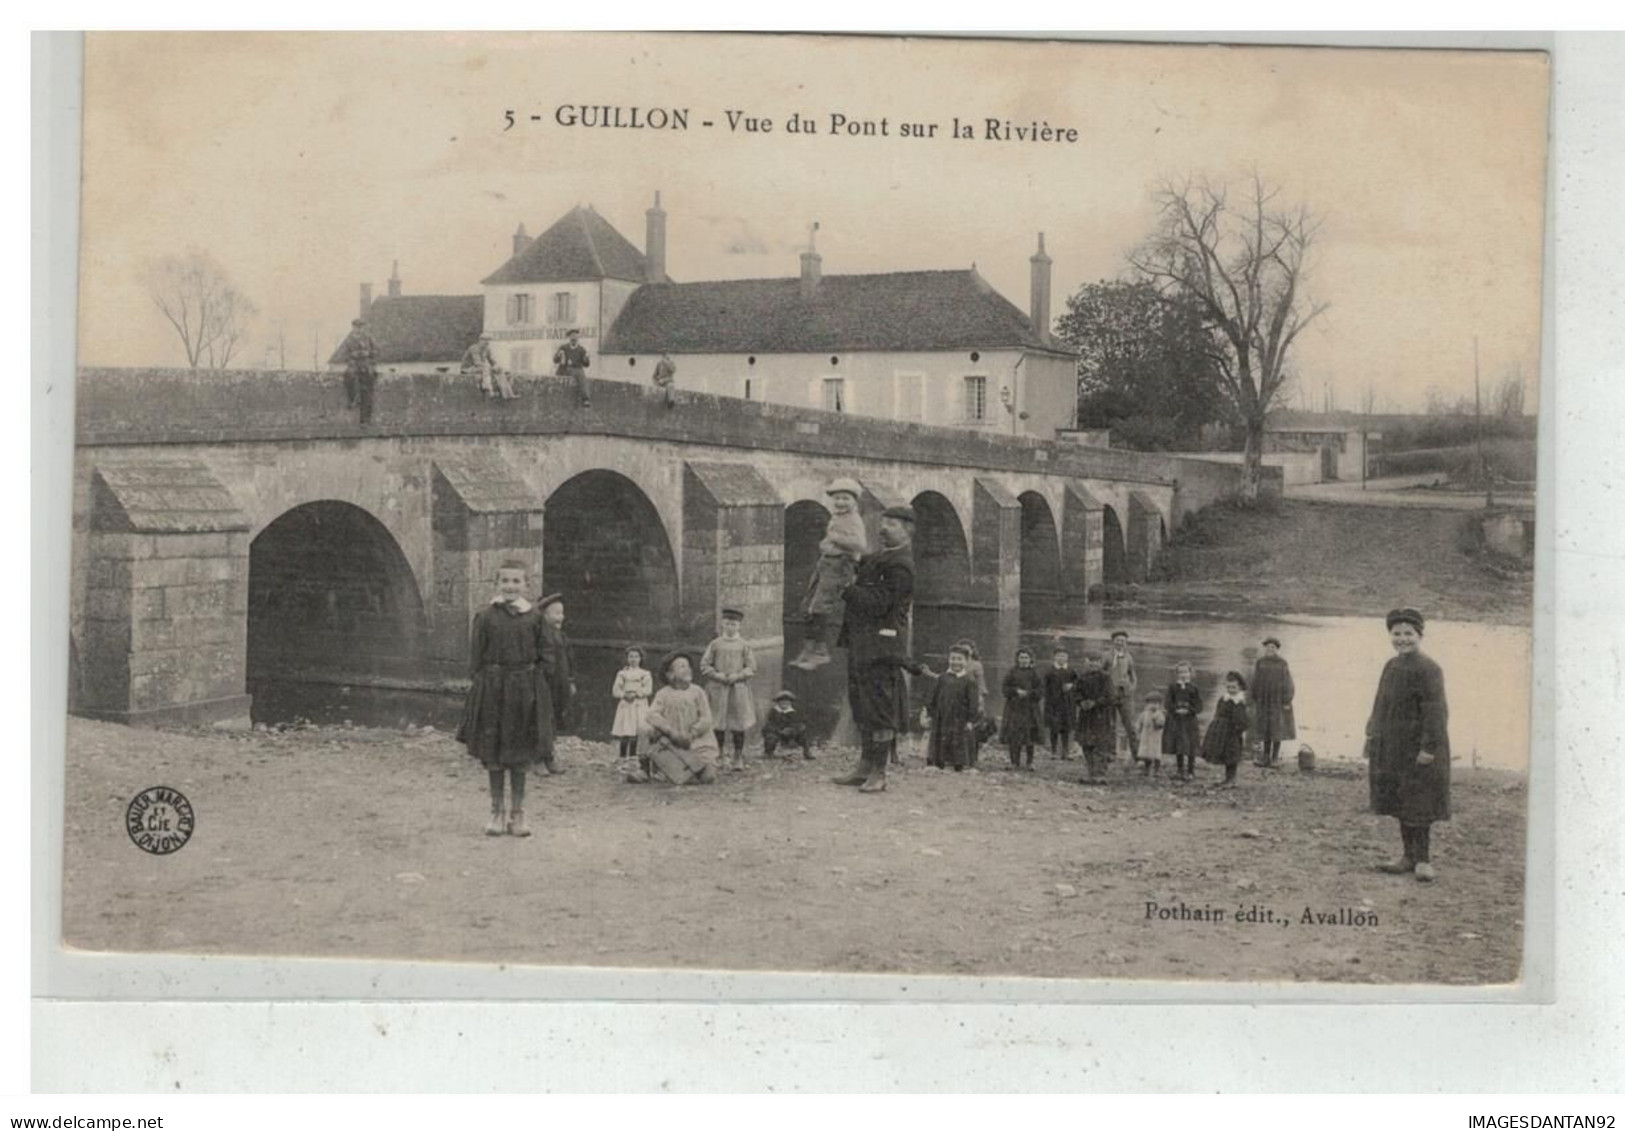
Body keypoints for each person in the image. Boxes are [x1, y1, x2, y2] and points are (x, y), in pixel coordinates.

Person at [454, 560, 552, 837]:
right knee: (494, 754)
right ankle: (496, 810)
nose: (510, 586)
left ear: (526, 586)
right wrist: (484, 684)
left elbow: (547, 656)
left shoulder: (534, 618)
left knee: (519, 755)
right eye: (505, 581)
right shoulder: (485, 616)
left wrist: (534, 684)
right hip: (493, 689)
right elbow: (476, 658)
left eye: (516, 581)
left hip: (523, 692)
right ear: (496, 584)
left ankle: (517, 813)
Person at [832, 505, 923, 792]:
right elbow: (867, 563)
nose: (883, 528)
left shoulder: (901, 564)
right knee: (862, 703)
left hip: (882, 646)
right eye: (882, 523)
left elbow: (880, 604)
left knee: (880, 707)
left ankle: (879, 772)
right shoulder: (885, 556)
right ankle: (864, 766)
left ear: (907, 530)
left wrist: (848, 589)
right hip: (864, 643)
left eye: (892, 524)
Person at [1365, 607, 1451, 883]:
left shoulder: (1429, 668)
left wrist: (1429, 748)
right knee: (1402, 801)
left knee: (1420, 802)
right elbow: (1380, 703)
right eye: (1397, 633)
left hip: (1418, 748)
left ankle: (1423, 860)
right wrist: (1372, 735)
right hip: (1392, 745)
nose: (1402, 639)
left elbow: (1436, 711)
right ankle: (1407, 856)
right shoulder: (1391, 665)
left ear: (1419, 635)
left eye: (1408, 634)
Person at [790, 478, 869, 671]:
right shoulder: (837, 517)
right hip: (826, 563)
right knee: (808, 606)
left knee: (819, 608)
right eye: (837, 499)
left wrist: (834, 539)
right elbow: (830, 541)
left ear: (854, 501)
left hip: (840, 565)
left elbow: (860, 545)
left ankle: (821, 653)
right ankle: (808, 650)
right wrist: (826, 544)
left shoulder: (853, 519)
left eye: (845, 498)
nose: (840, 502)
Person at [643, 652, 720, 785]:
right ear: (670, 675)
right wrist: (670, 731)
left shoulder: (698, 692)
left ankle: (690, 772)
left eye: (688, 666)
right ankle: (644, 769)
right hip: (673, 743)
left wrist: (693, 733)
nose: (688, 669)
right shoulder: (663, 694)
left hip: (697, 743)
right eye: (682, 667)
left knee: (708, 777)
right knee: (645, 729)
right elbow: (652, 714)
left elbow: (706, 718)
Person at [701, 608, 758, 772]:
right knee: (718, 723)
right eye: (727, 623)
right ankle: (719, 754)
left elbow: (752, 667)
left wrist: (738, 675)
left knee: (738, 723)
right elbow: (704, 665)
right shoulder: (715, 644)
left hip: (737, 690)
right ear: (722, 624)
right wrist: (717, 675)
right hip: (718, 689)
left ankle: (738, 756)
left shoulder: (744, 645)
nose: (730, 627)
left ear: (739, 626)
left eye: (734, 624)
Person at [925, 643, 981, 772]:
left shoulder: (969, 680)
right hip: (942, 715)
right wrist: (930, 712)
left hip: (959, 717)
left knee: (958, 739)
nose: (955, 662)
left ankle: (958, 764)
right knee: (940, 737)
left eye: (959, 659)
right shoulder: (942, 678)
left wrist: (970, 720)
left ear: (966, 661)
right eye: (953, 659)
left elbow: (973, 702)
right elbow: (933, 696)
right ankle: (939, 761)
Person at [536, 593, 574, 774]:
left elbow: (569, 660)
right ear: (544, 615)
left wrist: (571, 682)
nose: (561, 617)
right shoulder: (539, 636)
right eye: (556, 613)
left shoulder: (561, 636)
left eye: (562, 613)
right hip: (543, 683)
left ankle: (549, 755)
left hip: (559, 683)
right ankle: (539, 759)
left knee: (554, 719)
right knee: (541, 720)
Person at [1251, 636, 1297, 767]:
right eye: (1268, 647)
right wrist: (1255, 695)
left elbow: (1288, 682)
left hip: (1278, 702)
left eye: (1273, 647)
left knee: (1277, 728)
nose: (1270, 649)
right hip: (1264, 701)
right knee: (1265, 728)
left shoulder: (1282, 663)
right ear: (1265, 648)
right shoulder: (1260, 662)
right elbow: (1256, 680)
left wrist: (1287, 700)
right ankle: (1265, 757)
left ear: (1277, 649)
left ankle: (1275, 757)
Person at [1073, 652, 1117, 784]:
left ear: (1100, 663)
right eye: (1091, 661)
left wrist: (1096, 703)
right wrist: (1081, 702)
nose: (1093, 664)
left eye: (1096, 661)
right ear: (1086, 662)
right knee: (1087, 744)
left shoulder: (1106, 678)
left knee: (1100, 744)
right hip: (1086, 716)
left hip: (1101, 715)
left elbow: (1110, 696)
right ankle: (1091, 773)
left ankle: (1100, 774)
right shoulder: (1082, 678)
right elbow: (1075, 693)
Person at [611, 646, 654, 783]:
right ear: (627, 658)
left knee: (637, 732)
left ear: (641, 658)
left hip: (639, 705)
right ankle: (623, 759)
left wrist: (637, 694)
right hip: (626, 705)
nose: (633, 659)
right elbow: (615, 690)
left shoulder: (645, 674)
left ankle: (634, 760)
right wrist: (624, 695)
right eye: (631, 656)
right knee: (625, 732)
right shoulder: (622, 674)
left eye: (636, 656)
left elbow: (648, 690)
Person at [1202, 671, 1250, 789]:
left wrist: (1240, 728)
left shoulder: (1239, 701)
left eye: (1234, 687)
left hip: (1233, 731)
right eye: (1228, 687)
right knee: (1225, 753)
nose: (1231, 690)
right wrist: (1215, 724)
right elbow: (1218, 712)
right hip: (1222, 730)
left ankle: (1232, 779)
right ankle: (1227, 778)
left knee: (1232, 754)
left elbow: (1243, 719)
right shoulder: (1224, 699)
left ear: (1239, 687)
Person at [1000, 647, 1044, 770]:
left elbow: (1041, 691)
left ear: (1030, 659)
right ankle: (1014, 762)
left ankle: (1030, 762)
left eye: (1026, 658)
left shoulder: (1035, 673)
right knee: (1014, 736)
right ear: (1017, 659)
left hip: (1030, 710)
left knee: (1030, 737)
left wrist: (1029, 693)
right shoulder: (1012, 672)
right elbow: (1004, 689)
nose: (1023, 660)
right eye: (1021, 658)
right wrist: (1015, 691)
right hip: (1014, 709)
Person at [1163, 662, 1204, 781]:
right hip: (1177, 721)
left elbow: (1199, 706)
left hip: (1190, 721)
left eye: (1185, 672)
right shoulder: (1172, 687)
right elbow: (1167, 703)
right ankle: (1180, 770)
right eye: (1180, 672)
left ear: (1190, 673)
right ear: (1176, 674)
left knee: (1191, 745)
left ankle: (1191, 770)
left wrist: (1189, 710)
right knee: (1178, 744)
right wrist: (1176, 710)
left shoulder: (1194, 688)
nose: (1183, 675)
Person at [335, 317, 380, 425]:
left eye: (361, 327)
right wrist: (352, 354)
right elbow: (342, 355)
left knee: (368, 389)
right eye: (356, 327)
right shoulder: (349, 340)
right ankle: (353, 398)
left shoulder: (369, 339)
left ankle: (366, 419)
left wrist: (368, 353)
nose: (359, 329)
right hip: (354, 364)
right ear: (353, 328)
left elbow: (376, 351)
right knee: (349, 376)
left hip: (366, 364)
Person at [1106, 630, 1141, 761]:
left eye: (1123, 641)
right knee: (1110, 724)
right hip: (1110, 694)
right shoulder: (1106, 656)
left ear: (1126, 643)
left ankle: (1136, 753)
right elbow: (1101, 672)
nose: (1120, 643)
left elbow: (1133, 674)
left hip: (1125, 695)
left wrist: (1132, 687)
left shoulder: (1128, 656)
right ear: (1113, 641)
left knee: (1130, 725)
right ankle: (1111, 752)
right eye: (1117, 640)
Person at [1043, 648, 1080, 760]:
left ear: (1067, 658)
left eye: (1064, 656)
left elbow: (1078, 684)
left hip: (1067, 703)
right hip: (1053, 703)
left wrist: (1071, 686)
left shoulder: (1071, 671)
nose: (1061, 658)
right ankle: (1053, 750)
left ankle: (1065, 751)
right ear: (1055, 657)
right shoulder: (1050, 671)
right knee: (1054, 727)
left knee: (1066, 727)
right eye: (1059, 656)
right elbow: (1044, 686)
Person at [761, 690, 811, 760]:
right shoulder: (773, 712)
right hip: (777, 732)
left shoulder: (794, 712)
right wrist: (778, 731)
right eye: (782, 701)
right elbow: (770, 724)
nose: (785, 703)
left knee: (803, 733)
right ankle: (769, 752)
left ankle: (807, 752)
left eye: (787, 701)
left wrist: (791, 730)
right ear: (778, 702)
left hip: (791, 732)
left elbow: (798, 723)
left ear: (790, 702)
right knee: (770, 737)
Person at [461, 333, 513, 400]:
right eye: (485, 340)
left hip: (479, 368)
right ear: (480, 340)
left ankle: (507, 394)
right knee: (486, 369)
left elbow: (492, 361)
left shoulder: (487, 349)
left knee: (500, 369)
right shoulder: (474, 348)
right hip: (467, 368)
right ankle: (489, 390)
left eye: (488, 340)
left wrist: (496, 366)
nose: (487, 342)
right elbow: (477, 363)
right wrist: (491, 368)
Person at [552, 328, 593, 407]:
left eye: (575, 337)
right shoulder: (564, 347)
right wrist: (558, 355)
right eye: (572, 337)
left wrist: (586, 358)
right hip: (564, 370)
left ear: (577, 338)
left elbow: (586, 365)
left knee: (580, 374)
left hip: (576, 370)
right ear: (569, 338)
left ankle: (585, 399)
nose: (574, 339)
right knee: (578, 373)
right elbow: (555, 360)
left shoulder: (581, 350)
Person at [1134, 691, 1167, 778]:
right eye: (1151, 703)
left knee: (1156, 753)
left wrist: (1156, 720)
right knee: (1146, 753)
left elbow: (1161, 724)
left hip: (1155, 737)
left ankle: (1156, 770)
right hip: (1145, 736)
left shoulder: (1159, 714)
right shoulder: (1144, 713)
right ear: (1147, 704)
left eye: (1156, 703)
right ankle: (1146, 769)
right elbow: (1139, 722)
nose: (1153, 705)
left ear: (1159, 704)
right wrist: (1137, 731)